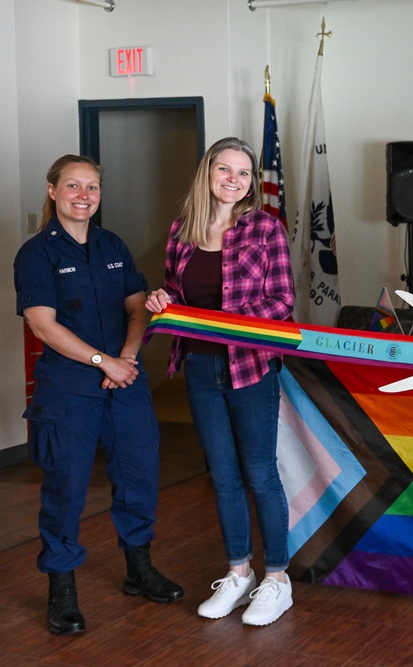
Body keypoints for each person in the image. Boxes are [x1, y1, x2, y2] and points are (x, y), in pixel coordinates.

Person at [14, 155, 184, 636]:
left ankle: (139, 569)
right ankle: (62, 591)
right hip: (69, 389)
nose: (83, 196)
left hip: (124, 384)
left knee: (139, 475)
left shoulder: (113, 245)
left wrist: (125, 359)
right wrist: (101, 361)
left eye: (92, 187)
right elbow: (43, 325)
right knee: (65, 488)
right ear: (52, 191)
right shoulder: (36, 253)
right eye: (73, 186)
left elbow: (138, 309)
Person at [145, 137, 295, 626]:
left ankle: (276, 579)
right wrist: (161, 300)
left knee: (260, 473)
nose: (234, 180)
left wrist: (227, 321)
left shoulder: (265, 229)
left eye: (244, 173)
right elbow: (176, 291)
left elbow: (282, 304)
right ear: (207, 173)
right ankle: (238, 572)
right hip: (200, 369)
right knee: (223, 476)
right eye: (224, 169)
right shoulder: (181, 231)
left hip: (250, 368)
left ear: (253, 182)